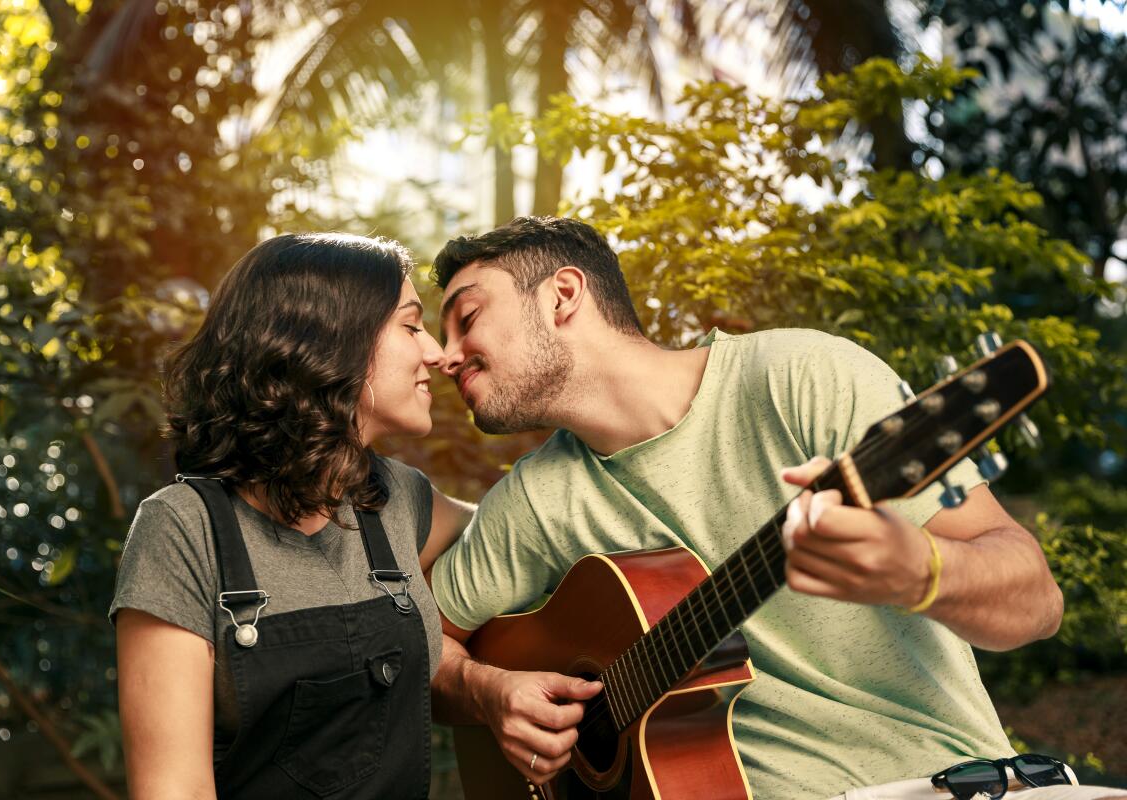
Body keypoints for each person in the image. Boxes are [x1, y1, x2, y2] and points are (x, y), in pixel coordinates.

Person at [425, 216, 1124, 799]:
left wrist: (920, 569)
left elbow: (1037, 603)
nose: (446, 355)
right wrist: (489, 692)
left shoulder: (801, 379)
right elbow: (420, 647)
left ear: (564, 295)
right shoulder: (537, 500)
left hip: (936, 784)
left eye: (467, 317)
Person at [111, 233, 473, 800]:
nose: (435, 352)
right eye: (410, 326)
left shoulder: (401, 500)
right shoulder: (183, 529)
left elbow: (517, 533)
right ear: (333, 341)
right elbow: (173, 789)